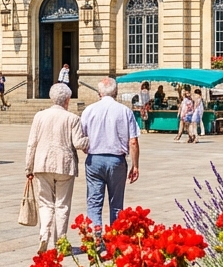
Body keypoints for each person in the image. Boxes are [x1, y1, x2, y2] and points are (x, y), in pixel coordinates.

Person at [25, 83, 89, 252]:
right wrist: (89, 140)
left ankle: (44, 234)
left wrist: (28, 168)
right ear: (67, 100)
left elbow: (32, 143)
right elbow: (78, 143)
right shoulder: (72, 118)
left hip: (42, 163)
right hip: (64, 165)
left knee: (45, 203)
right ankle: (61, 243)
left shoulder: (39, 116)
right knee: (62, 205)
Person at [79, 78, 140, 230]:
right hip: (116, 160)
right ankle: (115, 238)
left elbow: (82, 136)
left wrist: (86, 149)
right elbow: (133, 141)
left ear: (99, 93)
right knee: (116, 203)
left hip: (94, 159)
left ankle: (96, 236)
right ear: (116, 92)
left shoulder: (89, 110)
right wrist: (135, 165)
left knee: (94, 202)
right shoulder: (125, 111)